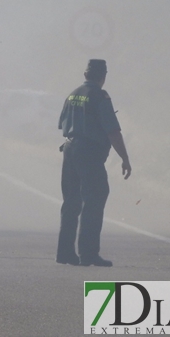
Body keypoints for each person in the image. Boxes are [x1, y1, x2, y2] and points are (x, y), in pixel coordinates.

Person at [56, 59, 131, 267]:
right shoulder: (100, 96)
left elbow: (62, 123)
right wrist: (125, 158)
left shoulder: (73, 94)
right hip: (89, 152)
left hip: (70, 149)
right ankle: (88, 254)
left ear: (85, 74)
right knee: (95, 198)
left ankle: (64, 253)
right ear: (103, 76)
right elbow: (112, 130)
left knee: (71, 202)